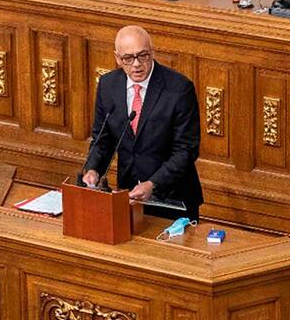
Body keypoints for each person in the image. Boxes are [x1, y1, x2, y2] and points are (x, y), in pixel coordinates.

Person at [81, 25, 203, 219]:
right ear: (117, 58)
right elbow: (102, 140)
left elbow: (186, 150)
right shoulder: (108, 85)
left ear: (152, 52)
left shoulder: (179, 89)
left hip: (172, 199)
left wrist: (153, 184)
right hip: (129, 196)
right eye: (128, 58)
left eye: (143, 56)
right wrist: (93, 169)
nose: (136, 64)